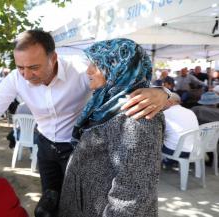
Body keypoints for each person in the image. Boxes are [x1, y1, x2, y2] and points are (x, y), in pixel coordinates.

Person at [0, 30, 169, 206]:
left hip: (76, 148)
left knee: (77, 200)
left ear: (53, 58)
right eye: (20, 67)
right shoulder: (16, 78)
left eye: (34, 67)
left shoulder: (82, 70)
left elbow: (130, 83)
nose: (26, 75)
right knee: (50, 197)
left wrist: (163, 93)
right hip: (45, 145)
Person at [59, 38, 164, 217]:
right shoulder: (103, 102)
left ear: (119, 68)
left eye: (97, 64)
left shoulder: (137, 117)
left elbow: (133, 193)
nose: (88, 70)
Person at [162, 93, 199, 162]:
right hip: (193, 151)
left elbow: (160, 133)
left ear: (169, 102)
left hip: (174, 152)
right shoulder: (190, 112)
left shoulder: (165, 113)